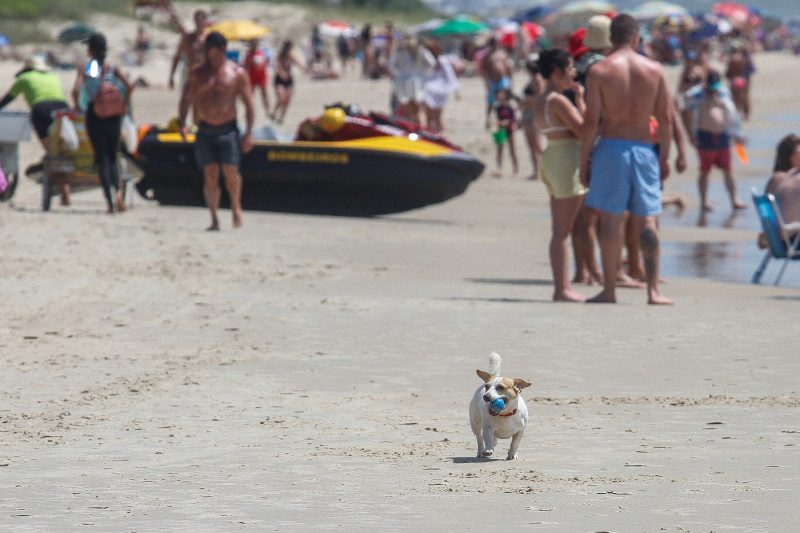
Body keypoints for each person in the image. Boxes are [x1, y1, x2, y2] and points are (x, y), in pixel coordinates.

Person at [580, 14, 673, 305]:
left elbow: (591, 121)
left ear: (611, 39)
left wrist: (585, 160)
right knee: (647, 220)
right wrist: (666, 157)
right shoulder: (654, 70)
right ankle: (653, 291)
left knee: (610, 219)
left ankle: (609, 290)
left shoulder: (599, 71)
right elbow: (666, 120)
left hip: (610, 147)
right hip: (644, 148)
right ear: (636, 38)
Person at [178, 31, 254, 231]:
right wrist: (182, 123)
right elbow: (186, 98)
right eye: (206, 49)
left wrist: (249, 133)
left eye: (210, 49)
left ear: (221, 50)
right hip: (204, 129)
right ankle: (214, 217)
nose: (207, 53)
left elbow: (249, 104)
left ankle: (236, 206)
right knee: (210, 174)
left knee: (231, 172)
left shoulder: (236, 73)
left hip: (228, 128)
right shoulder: (197, 73)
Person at [533, 49, 588, 302]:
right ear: (556, 73)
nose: (574, 73)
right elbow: (583, 130)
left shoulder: (542, 98)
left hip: (553, 155)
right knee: (562, 232)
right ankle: (562, 288)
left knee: (559, 230)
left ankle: (563, 285)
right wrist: (581, 100)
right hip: (566, 159)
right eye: (570, 69)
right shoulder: (559, 100)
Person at [72, 33, 133, 214]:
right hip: (114, 114)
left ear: (90, 49)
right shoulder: (112, 67)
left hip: (95, 115)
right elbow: (129, 86)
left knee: (102, 158)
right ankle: (119, 194)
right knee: (113, 157)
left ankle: (109, 202)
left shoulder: (89, 67)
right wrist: (123, 105)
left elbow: (76, 90)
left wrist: (77, 106)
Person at [0, 55, 71, 204]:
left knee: (51, 151)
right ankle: (65, 189)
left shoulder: (24, 78)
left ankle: (64, 189)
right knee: (61, 150)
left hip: (41, 110)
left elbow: (7, 100)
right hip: (63, 108)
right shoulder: (52, 76)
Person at [683, 70, 746, 221]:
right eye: (712, 86)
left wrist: (738, 134)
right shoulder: (695, 94)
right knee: (705, 171)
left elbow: (733, 114)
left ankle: (734, 200)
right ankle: (704, 201)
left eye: (716, 86)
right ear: (706, 83)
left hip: (723, 136)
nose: (714, 89)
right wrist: (690, 135)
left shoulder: (723, 92)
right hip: (704, 137)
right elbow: (685, 112)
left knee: (728, 170)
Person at [760, 134, 800, 247]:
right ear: (789, 156)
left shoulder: (776, 178)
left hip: (776, 238)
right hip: (790, 239)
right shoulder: (787, 179)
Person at [162, 2, 210, 90]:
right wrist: (171, 75)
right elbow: (177, 57)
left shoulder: (209, 39)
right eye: (197, 20)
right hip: (190, 75)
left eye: (201, 20)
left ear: (205, 21)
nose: (199, 22)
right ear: (194, 21)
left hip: (205, 75)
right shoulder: (188, 39)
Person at [388, 35, 435, 124]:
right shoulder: (421, 51)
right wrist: (424, 74)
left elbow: (391, 64)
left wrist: (397, 74)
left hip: (403, 82)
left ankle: (412, 130)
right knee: (419, 110)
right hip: (417, 82)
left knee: (407, 111)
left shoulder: (400, 52)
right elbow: (431, 63)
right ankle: (421, 131)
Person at [422, 40, 459, 133]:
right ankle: (435, 135)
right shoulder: (429, 60)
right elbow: (450, 75)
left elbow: (450, 75)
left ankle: (435, 136)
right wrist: (456, 90)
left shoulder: (442, 61)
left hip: (435, 90)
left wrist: (456, 90)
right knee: (434, 117)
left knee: (432, 117)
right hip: (435, 90)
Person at [518, 56, 544, 181]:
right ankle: (536, 171)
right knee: (532, 145)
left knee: (536, 145)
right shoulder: (533, 79)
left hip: (533, 114)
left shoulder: (537, 79)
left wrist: (525, 101)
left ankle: (544, 170)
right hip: (528, 113)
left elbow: (540, 97)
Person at [480, 38, 513, 130]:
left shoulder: (502, 54)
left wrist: (510, 80)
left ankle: (507, 118)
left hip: (502, 79)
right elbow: (484, 70)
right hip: (492, 81)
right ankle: (488, 119)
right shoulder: (487, 55)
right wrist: (487, 82)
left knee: (505, 99)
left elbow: (507, 66)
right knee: (491, 102)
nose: (495, 45)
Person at [271, 40, 304, 124]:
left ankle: (281, 117)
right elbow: (275, 66)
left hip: (289, 80)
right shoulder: (279, 56)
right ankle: (274, 112)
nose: (289, 50)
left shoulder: (291, 56)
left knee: (287, 100)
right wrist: (281, 72)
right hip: (279, 79)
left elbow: (299, 64)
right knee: (281, 98)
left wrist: (305, 70)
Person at [489, 88, 519, 177]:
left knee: (512, 150)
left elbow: (515, 118)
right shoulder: (496, 106)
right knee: (500, 150)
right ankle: (499, 169)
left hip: (509, 129)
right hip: (500, 129)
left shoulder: (510, 106)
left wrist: (507, 122)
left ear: (505, 95)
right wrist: (495, 123)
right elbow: (493, 117)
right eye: (498, 94)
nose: (499, 96)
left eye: (501, 94)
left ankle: (515, 169)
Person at [725, 42, 754, 120]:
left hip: (734, 80)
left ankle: (737, 114)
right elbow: (751, 69)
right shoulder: (745, 58)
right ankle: (746, 115)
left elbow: (728, 73)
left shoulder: (732, 59)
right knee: (745, 97)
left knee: (735, 99)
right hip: (743, 79)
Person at [244, 39, 269, 119]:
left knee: (264, 94)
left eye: (256, 43)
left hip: (261, 76)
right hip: (252, 77)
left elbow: (266, 63)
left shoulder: (262, 52)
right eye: (253, 43)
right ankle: (250, 110)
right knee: (250, 95)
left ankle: (267, 111)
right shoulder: (248, 54)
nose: (254, 44)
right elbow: (245, 67)